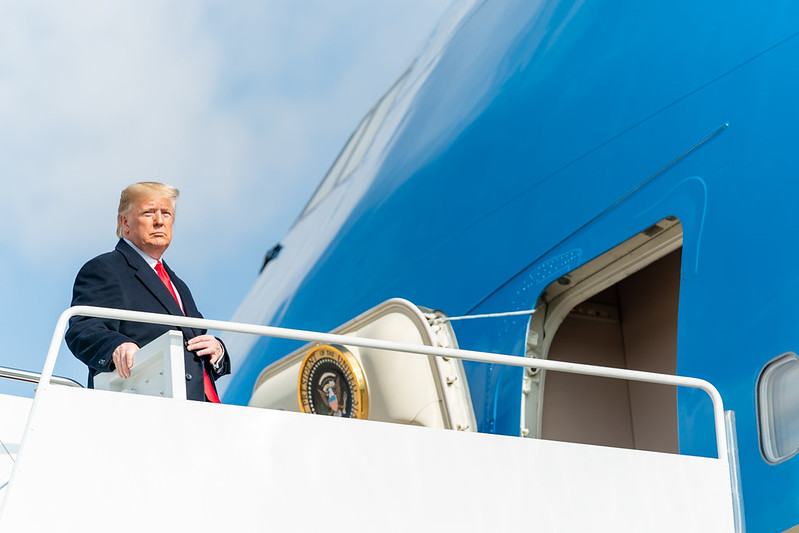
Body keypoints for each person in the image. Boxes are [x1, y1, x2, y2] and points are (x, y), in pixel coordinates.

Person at [65, 182, 230, 402]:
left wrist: (218, 350)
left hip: (203, 411)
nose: (160, 221)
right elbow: (83, 329)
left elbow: (194, 348)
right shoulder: (105, 269)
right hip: (144, 408)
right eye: (149, 212)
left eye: (166, 213)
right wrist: (116, 346)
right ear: (125, 222)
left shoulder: (179, 285)